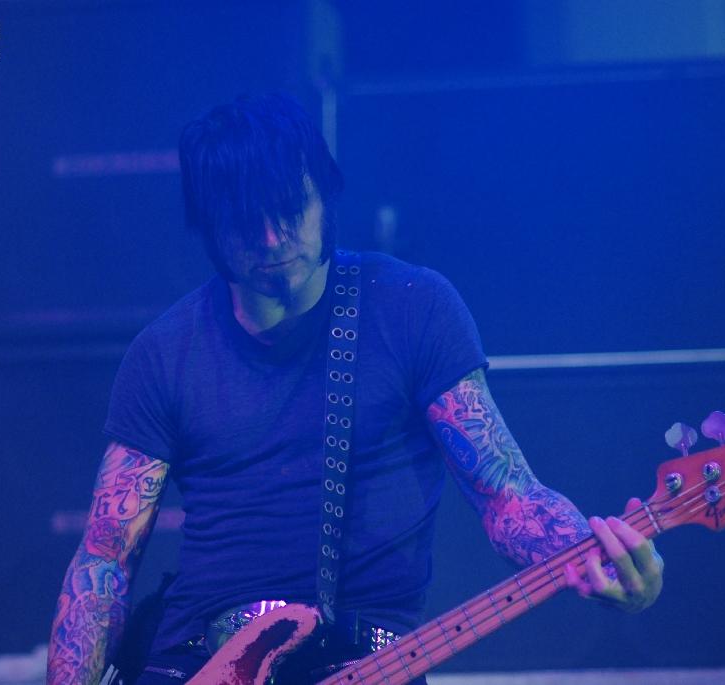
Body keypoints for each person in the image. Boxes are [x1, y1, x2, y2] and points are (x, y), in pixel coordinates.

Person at [46, 93, 664, 685]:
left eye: (291, 208)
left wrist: (596, 556)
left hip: (366, 661)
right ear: (206, 225)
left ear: (326, 195)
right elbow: (105, 560)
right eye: (244, 221)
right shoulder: (164, 352)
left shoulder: (411, 307)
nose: (271, 238)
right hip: (195, 660)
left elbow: (509, 497)